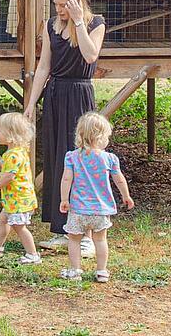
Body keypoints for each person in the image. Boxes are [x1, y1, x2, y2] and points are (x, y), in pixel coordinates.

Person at [23, 0, 106, 257]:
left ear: (76, 2)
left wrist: (78, 21)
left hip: (80, 94)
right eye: (56, 5)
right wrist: (31, 103)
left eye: (63, 5)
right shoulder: (50, 26)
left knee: (82, 159)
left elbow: (90, 55)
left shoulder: (95, 24)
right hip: (55, 94)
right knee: (58, 158)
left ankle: (86, 235)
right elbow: (44, 66)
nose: (58, 10)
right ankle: (62, 229)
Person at [58, 112, 134, 283]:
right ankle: (101, 271)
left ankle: (75, 270)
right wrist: (126, 195)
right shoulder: (109, 159)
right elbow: (119, 179)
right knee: (100, 239)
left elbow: (66, 178)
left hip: (78, 209)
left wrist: (64, 199)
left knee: (74, 240)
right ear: (101, 137)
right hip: (100, 210)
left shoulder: (72, 156)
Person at [0, 112, 42, 265]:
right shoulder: (19, 152)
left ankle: (33, 254)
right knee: (3, 220)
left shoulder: (12, 155)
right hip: (16, 199)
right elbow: (14, 173)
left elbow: (10, 177)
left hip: (18, 200)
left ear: (11, 135)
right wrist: (2, 174)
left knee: (19, 227)